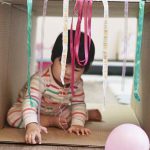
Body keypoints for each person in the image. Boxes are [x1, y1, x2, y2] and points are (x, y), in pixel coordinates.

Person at [7, 30, 101, 144]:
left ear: (84, 71)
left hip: (58, 110)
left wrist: (77, 125)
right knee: (12, 117)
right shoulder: (41, 79)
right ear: (53, 58)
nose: (68, 73)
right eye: (63, 65)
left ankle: (87, 114)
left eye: (76, 69)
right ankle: (49, 121)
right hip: (32, 109)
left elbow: (78, 103)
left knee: (73, 115)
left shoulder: (77, 84)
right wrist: (31, 125)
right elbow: (30, 103)